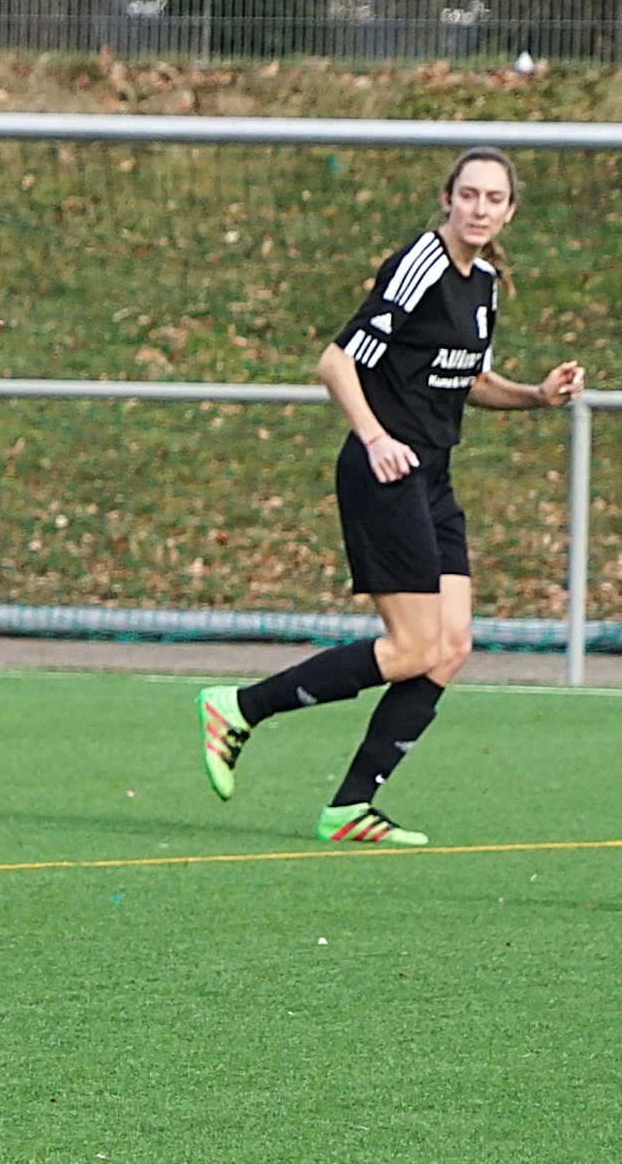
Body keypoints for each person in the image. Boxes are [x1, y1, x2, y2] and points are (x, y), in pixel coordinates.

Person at [199, 147, 584, 845]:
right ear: (448, 199)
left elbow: (470, 379)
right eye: (469, 194)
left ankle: (350, 807)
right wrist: (375, 437)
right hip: (386, 473)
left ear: (509, 212)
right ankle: (239, 708)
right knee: (412, 648)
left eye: (494, 198)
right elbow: (335, 361)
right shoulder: (422, 264)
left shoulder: (484, 283)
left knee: (451, 646)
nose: (480, 208)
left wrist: (536, 395)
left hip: (433, 477)